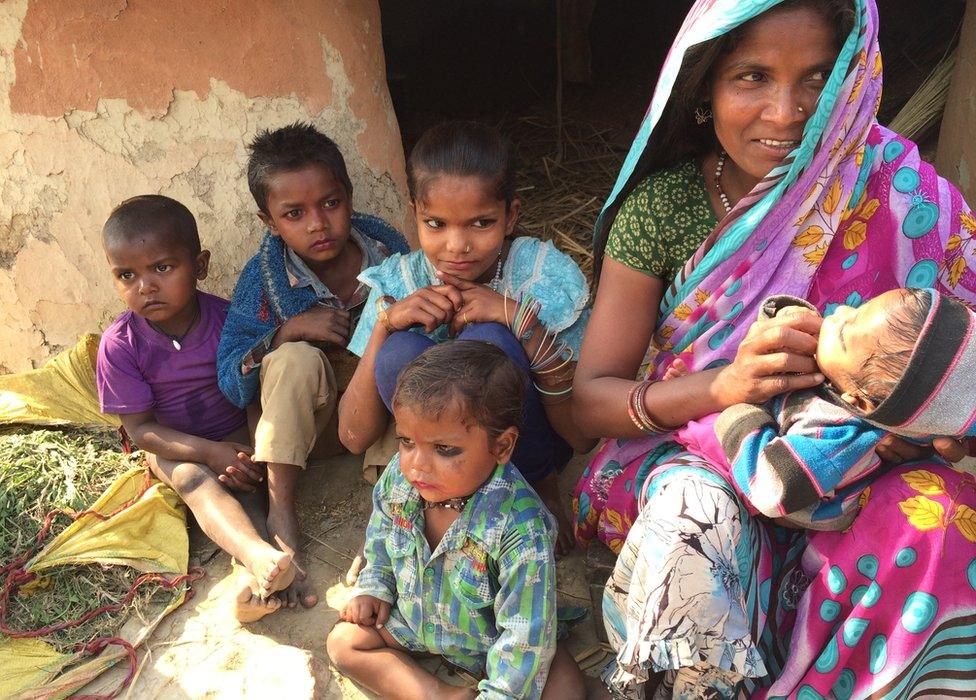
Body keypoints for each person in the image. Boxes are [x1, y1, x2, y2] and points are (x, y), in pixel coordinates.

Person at [570, 0, 976, 697]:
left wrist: (926, 423)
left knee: (939, 519)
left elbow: (959, 366)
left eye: (818, 77)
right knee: (693, 524)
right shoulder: (666, 209)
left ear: (854, 76)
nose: (786, 113)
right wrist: (724, 388)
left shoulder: (905, 197)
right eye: (751, 77)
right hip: (702, 456)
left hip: (860, 477)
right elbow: (589, 402)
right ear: (703, 86)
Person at [339, 120, 594, 556]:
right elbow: (352, 436)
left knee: (491, 341)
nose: (457, 245)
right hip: (432, 464)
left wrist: (519, 320)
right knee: (401, 349)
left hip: (530, 453)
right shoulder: (396, 283)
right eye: (435, 223)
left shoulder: (537, 274)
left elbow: (581, 434)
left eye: (480, 223)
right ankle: (429, 501)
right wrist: (385, 323)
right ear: (415, 212)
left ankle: (535, 489)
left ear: (511, 215)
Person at [216, 123, 407, 609]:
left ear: (349, 196)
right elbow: (229, 376)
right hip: (315, 432)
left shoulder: (387, 252)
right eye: (294, 214)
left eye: (330, 203)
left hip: (379, 420)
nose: (317, 224)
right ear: (269, 221)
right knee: (294, 359)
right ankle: (281, 514)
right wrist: (287, 331)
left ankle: (385, 516)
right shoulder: (265, 277)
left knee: (404, 353)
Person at [327, 341, 585, 699]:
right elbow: (381, 539)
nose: (417, 464)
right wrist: (375, 587)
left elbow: (524, 637)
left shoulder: (522, 529)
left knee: (562, 684)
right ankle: (440, 694)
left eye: (444, 449)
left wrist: (499, 693)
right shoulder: (400, 481)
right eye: (405, 441)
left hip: (491, 646)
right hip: (415, 623)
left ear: (502, 447)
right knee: (344, 642)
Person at [96, 195, 293, 623]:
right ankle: (257, 556)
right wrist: (206, 451)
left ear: (200, 266)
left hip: (235, 437)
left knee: (247, 483)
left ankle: (257, 571)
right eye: (126, 274)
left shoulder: (229, 321)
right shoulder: (120, 345)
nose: (145, 286)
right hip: (175, 447)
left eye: (162, 268)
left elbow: (255, 392)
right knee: (193, 479)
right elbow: (140, 430)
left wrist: (253, 449)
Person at [673, 288, 976, 531]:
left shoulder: (838, 438)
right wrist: (784, 317)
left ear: (858, 402)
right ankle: (696, 401)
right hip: (789, 436)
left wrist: (738, 415)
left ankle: (695, 419)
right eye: (856, 311)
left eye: (843, 333)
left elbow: (771, 488)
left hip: (775, 492)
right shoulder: (897, 406)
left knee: (720, 427)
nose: (840, 312)